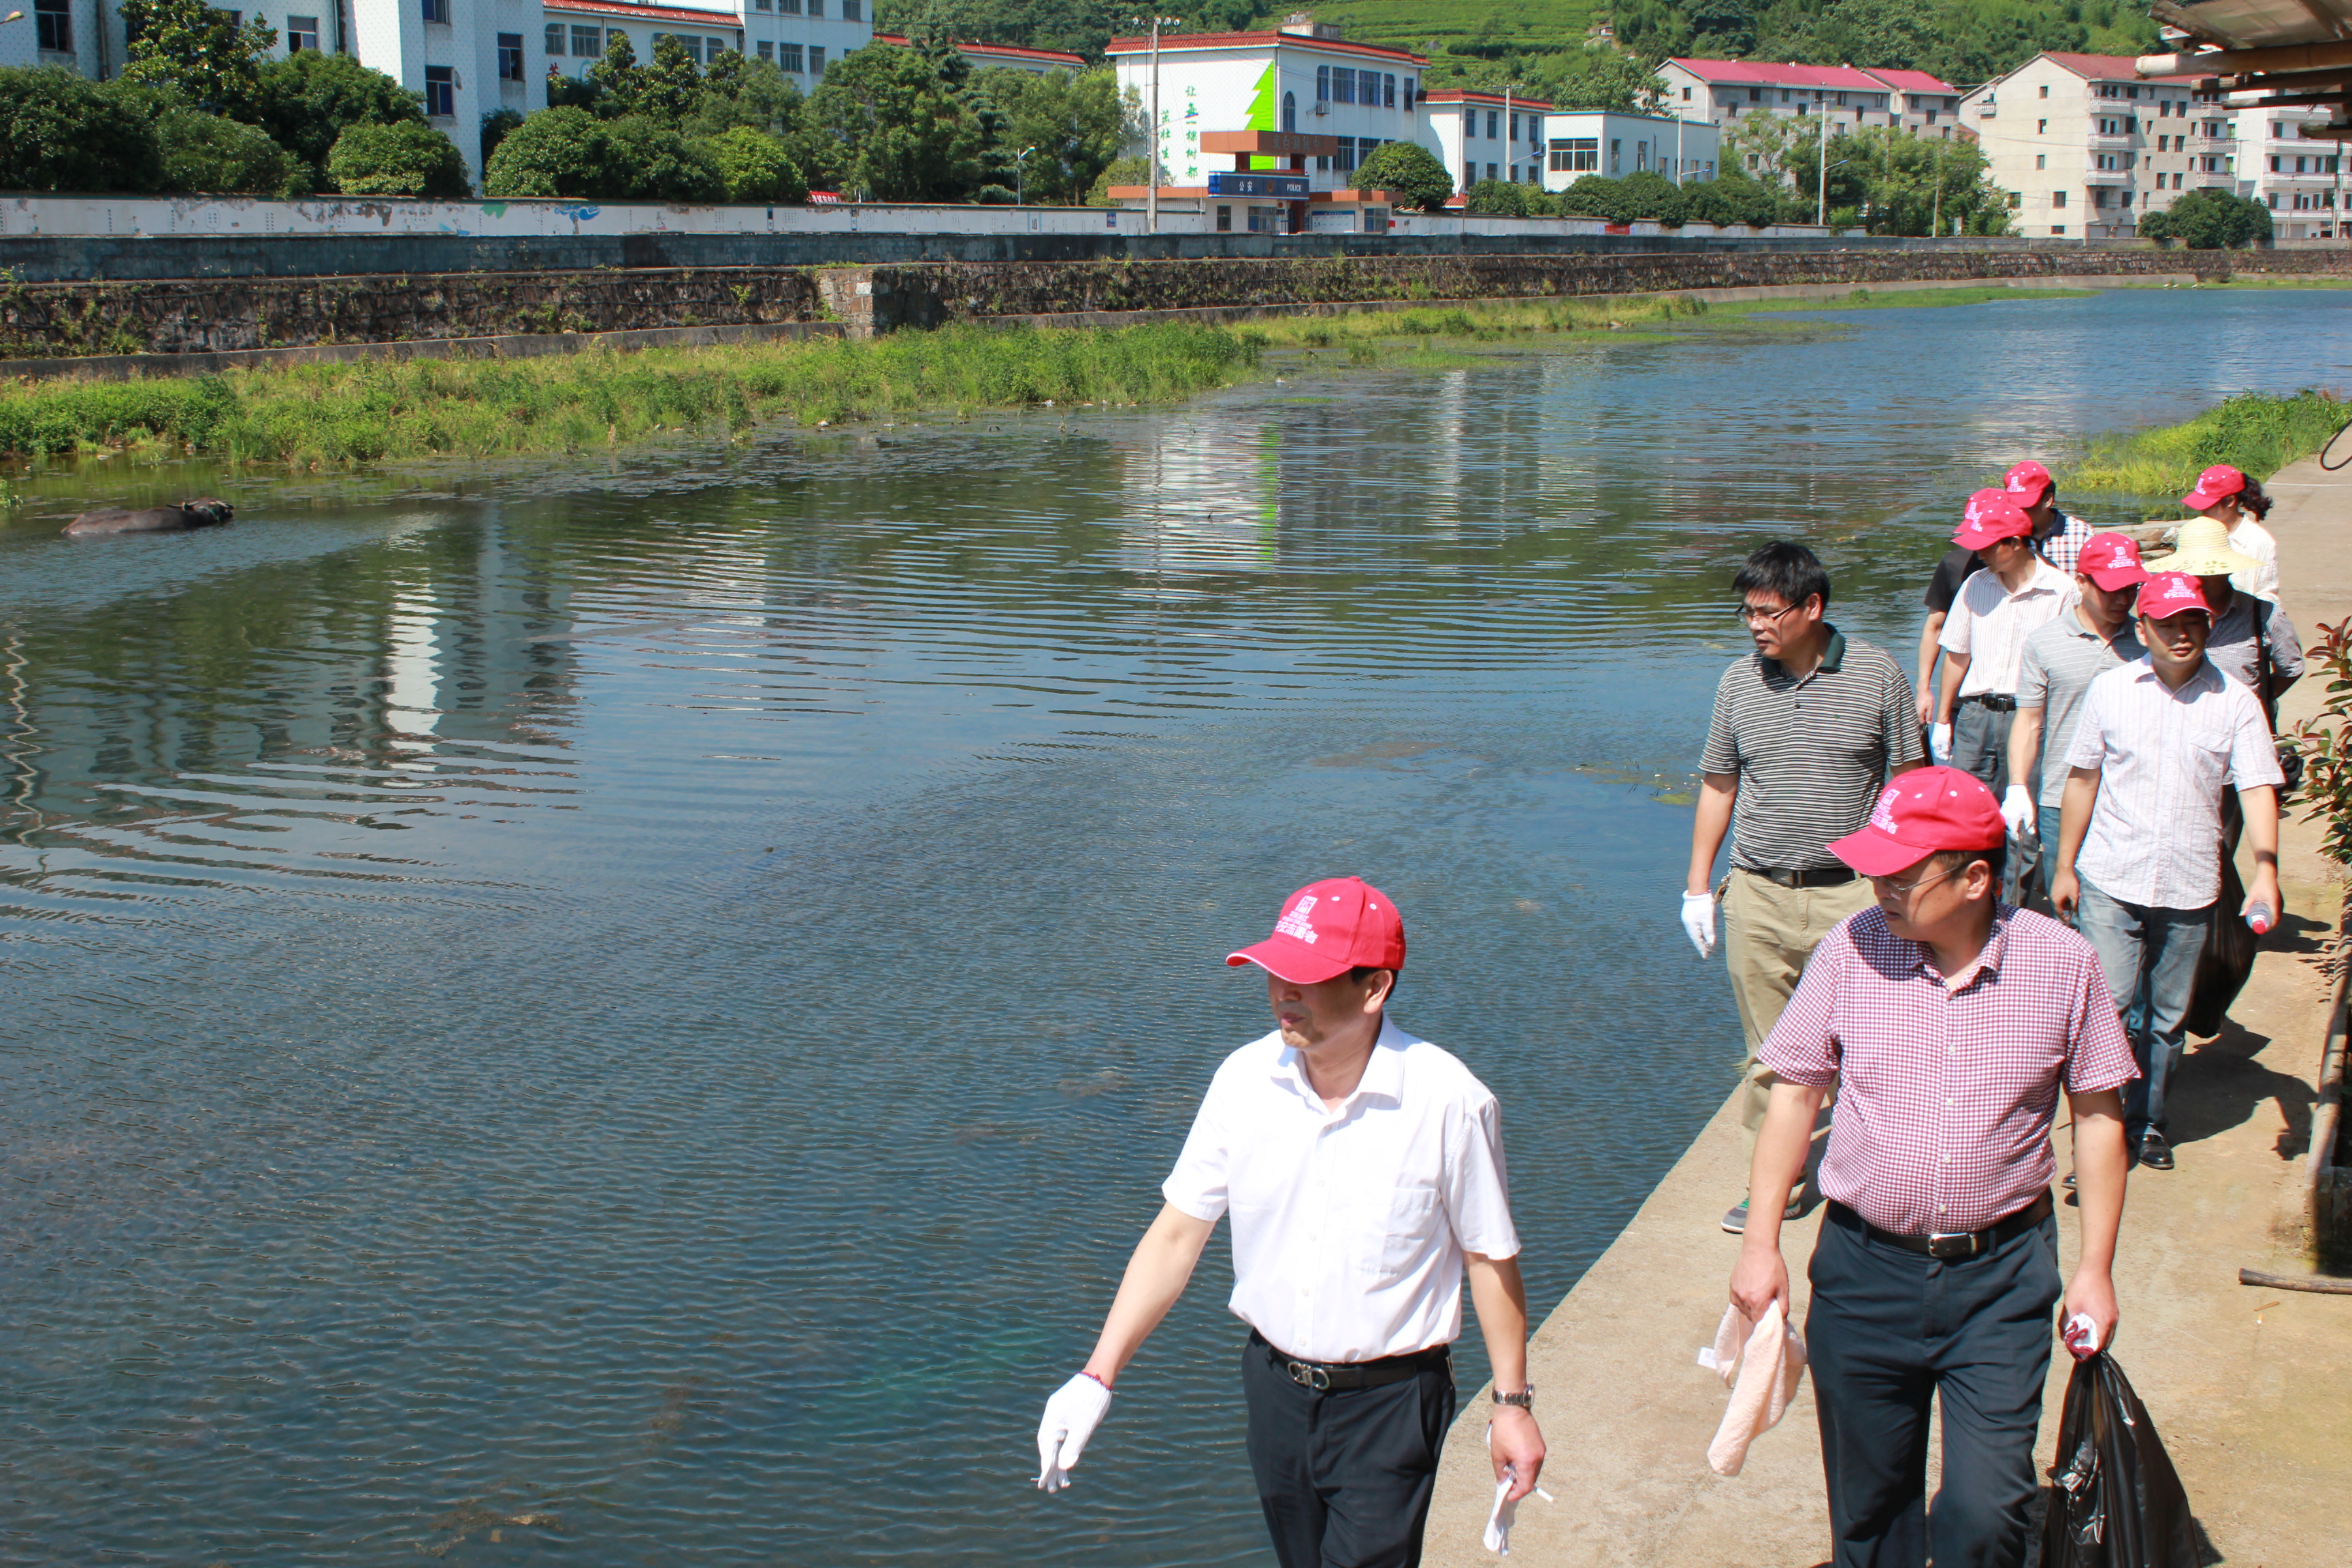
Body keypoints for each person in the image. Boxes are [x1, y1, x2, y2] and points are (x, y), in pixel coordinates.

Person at [1034, 877, 1544, 1568]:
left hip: (1392, 1406)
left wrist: (1511, 1404)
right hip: (1273, 1392)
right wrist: (1098, 1376)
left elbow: (1488, 1259)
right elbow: (1177, 1236)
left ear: (1375, 988)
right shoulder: (1242, 1082)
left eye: (1308, 978)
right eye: (1276, 972)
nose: (1282, 993)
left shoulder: (1450, 1102)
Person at [1730, 766, 2135, 1568]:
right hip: (1863, 1273)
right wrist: (1760, 1243)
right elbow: (1795, 1096)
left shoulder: (2063, 964)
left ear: (1976, 878)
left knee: (1988, 1512)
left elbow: (2097, 1117)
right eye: (1874, 869)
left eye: (1901, 875)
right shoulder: (1850, 950)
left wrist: (2096, 1269)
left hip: (2001, 1279)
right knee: (1871, 1512)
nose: (1877, 887)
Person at [1684, 542, 1923, 1235]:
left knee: (1873, 1046)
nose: (1756, 626)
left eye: (1769, 612)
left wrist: (1908, 881)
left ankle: (1877, 1174)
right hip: (1759, 893)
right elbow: (1719, 784)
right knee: (1770, 1055)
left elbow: (1909, 783)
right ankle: (1778, 1184)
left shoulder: (1878, 674)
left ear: (1812, 607)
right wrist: (1698, 887)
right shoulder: (1738, 683)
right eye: (1747, 613)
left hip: (1855, 894)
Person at [2051, 572, 2285, 1173]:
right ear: (2143, 628)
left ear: (2208, 625)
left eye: (2193, 622)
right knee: (2108, 1008)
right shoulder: (2110, 690)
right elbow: (2082, 779)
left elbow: (2257, 787)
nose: (2182, 635)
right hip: (2111, 875)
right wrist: (2065, 866)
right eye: (2168, 624)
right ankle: (2097, 1140)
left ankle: (2148, 1123)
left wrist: (2265, 870)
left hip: (2190, 883)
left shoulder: (2236, 701)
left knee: (2166, 1020)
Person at [2004, 533, 2149, 907]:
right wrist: (2018, 785)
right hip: (2061, 797)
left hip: (2134, 795)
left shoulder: (2148, 641)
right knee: (2069, 905)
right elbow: (2029, 720)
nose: (2123, 600)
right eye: (2112, 589)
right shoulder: (2044, 642)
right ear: (2082, 582)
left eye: (2131, 589)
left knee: (2126, 908)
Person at [1914, 461, 2093, 726]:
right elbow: (1942, 634)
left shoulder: (2057, 578)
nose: (1981, 553)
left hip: (2030, 700)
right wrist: (1927, 690)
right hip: (1971, 697)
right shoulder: (1963, 572)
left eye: (1987, 543)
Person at [1933, 491, 2072, 800]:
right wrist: (1942, 719)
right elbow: (1957, 656)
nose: (1980, 553)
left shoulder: (2062, 591)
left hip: (2029, 718)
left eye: (1988, 546)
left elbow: (2067, 669)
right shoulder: (1974, 585)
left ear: (2016, 543)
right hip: (1975, 717)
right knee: (1963, 806)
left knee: (2023, 809)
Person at [2159, 519, 2303, 714]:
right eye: (2191, 573)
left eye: (2208, 572)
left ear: (2228, 570)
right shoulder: (2165, 617)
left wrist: (2257, 702)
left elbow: (2291, 669)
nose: (2199, 581)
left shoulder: (2264, 615)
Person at [2182, 463, 2281, 600]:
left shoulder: (2260, 541)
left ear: (2229, 501)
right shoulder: (2194, 534)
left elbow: (2267, 594)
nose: (2202, 511)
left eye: (2208, 506)